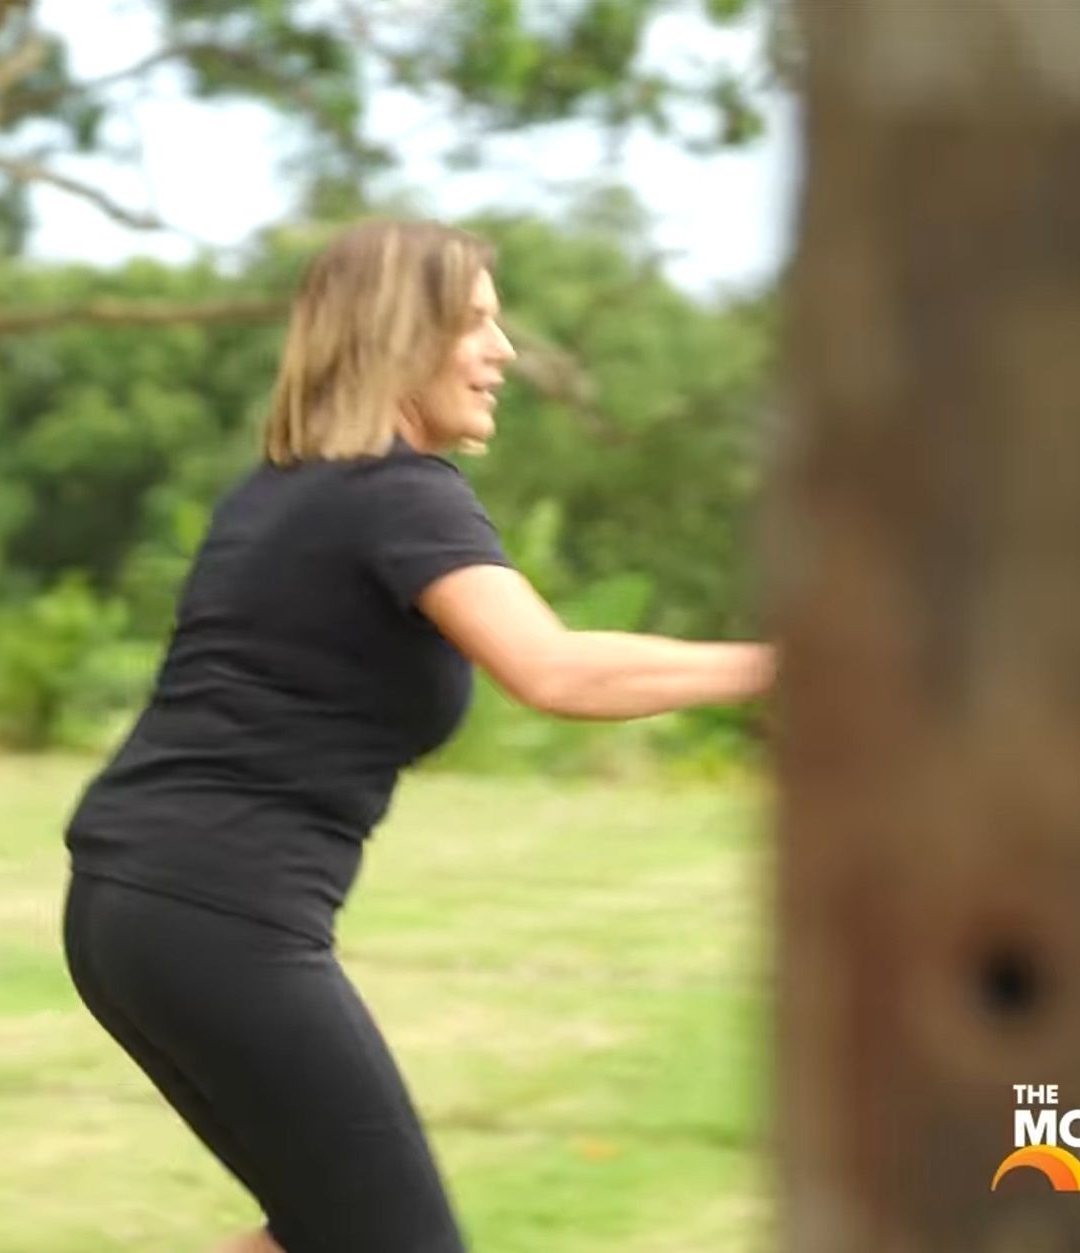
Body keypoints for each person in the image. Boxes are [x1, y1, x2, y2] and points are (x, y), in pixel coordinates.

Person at [58, 218, 776, 1252]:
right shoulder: (400, 492)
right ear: (398, 333)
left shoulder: (282, 491)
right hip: (218, 912)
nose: (503, 351)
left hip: (132, 907)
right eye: (474, 322)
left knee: (326, 1232)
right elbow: (556, 670)